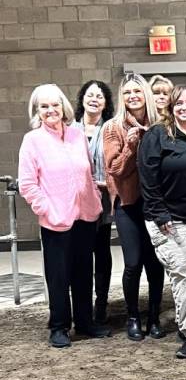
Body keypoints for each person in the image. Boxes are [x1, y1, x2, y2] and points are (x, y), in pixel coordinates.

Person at [18, 84, 111, 348]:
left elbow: (88, 172)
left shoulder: (76, 136)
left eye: (55, 105)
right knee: (59, 276)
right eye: (44, 106)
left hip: (85, 216)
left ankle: (85, 322)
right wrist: (46, 208)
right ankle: (59, 326)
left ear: (64, 107)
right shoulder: (32, 140)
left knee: (84, 272)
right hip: (55, 221)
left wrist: (93, 199)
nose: (51, 110)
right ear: (37, 111)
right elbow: (27, 184)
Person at [138, 84, 186, 359]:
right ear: (170, 107)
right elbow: (147, 180)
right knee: (183, 274)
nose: (185, 107)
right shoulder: (157, 135)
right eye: (179, 103)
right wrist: (160, 214)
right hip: (170, 219)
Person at [103, 73, 165, 342]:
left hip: (156, 204)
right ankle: (133, 317)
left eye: (137, 91)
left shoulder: (161, 124)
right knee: (133, 263)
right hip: (127, 205)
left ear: (146, 95)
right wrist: (130, 145)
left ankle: (153, 316)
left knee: (155, 263)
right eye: (127, 92)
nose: (132, 96)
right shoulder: (112, 127)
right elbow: (115, 168)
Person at [72, 80, 115, 325]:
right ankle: (82, 304)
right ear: (82, 99)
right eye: (90, 95)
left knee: (101, 251)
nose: (94, 99)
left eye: (100, 96)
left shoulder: (109, 128)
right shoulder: (70, 129)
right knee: (80, 253)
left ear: (106, 102)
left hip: (103, 198)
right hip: (76, 201)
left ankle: (101, 303)